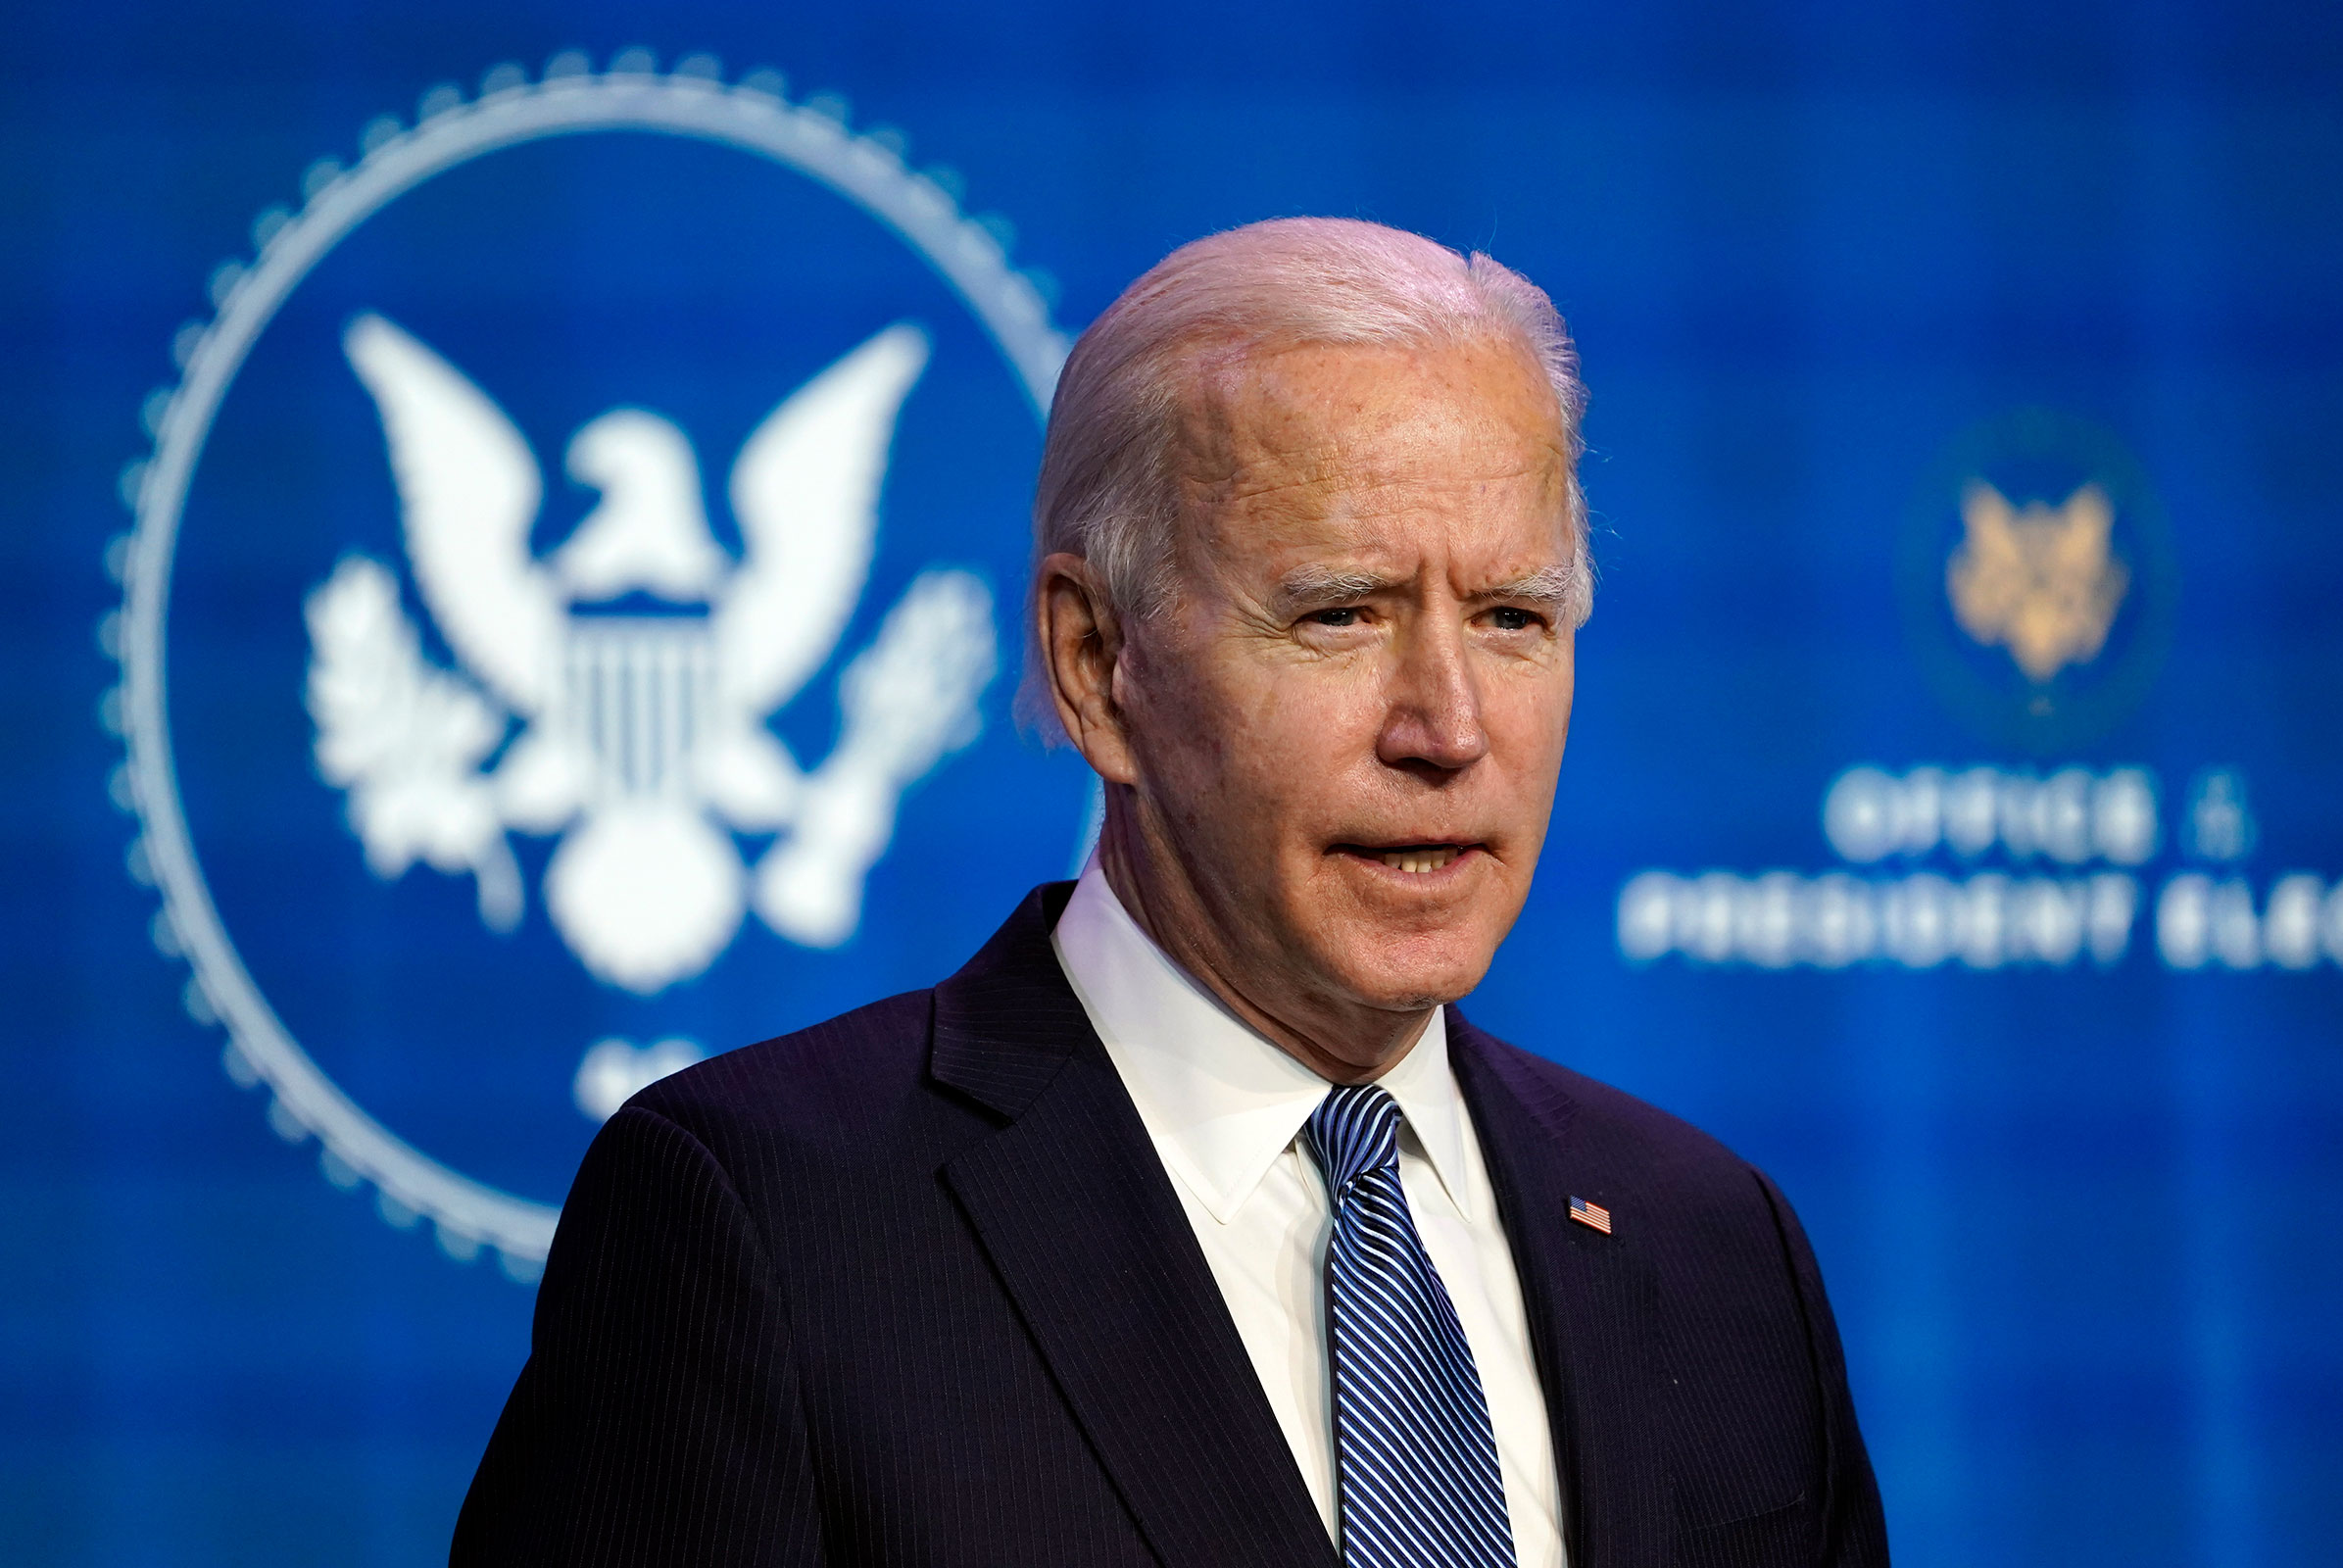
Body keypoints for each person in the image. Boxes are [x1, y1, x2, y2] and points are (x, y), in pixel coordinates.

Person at [452, 217, 1888, 1568]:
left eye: (1514, 618)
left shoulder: (1711, 1245)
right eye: (1341, 615)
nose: (1449, 728)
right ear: (1098, 667)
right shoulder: (766, 1231)